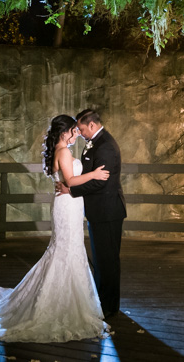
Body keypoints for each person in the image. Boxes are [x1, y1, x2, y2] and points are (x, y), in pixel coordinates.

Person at [0, 115, 110, 343]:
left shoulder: (62, 150)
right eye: (73, 130)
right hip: (67, 204)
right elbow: (71, 181)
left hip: (70, 204)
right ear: (64, 132)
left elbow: (67, 181)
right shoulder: (63, 151)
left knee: (69, 249)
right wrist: (94, 174)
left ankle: (64, 299)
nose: (76, 134)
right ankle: (58, 304)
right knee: (66, 249)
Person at [56, 109, 125, 319]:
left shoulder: (105, 146)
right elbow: (88, 174)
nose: (80, 133)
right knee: (102, 259)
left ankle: (109, 306)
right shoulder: (97, 142)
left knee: (108, 260)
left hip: (107, 210)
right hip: (98, 210)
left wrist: (71, 190)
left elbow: (98, 181)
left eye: (82, 129)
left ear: (92, 125)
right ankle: (102, 301)